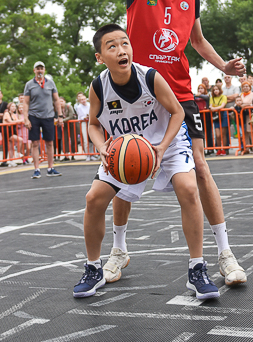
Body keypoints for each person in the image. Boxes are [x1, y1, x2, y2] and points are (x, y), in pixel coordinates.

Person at [76, 0, 246, 286]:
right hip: (136, 93)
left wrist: (222, 65)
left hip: (178, 94)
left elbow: (197, 41)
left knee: (200, 172)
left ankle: (225, 254)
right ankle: (118, 251)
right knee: (123, 168)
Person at [73, 24, 218, 300]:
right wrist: (101, 146)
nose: (121, 50)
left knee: (189, 189)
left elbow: (177, 112)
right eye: (112, 46)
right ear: (100, 57)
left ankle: (197, 268)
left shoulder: (150, 77)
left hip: (167, 141)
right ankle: (93, 268)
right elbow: (93, 124)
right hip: (125, 147)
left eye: (124, 43)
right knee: (93, 198)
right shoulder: (98, 87)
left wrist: (161, 148)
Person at [20, 61, 63, 178]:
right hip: (34, 116)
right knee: (35, 143)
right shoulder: (29, 84)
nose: (39, 70)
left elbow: (56, 100)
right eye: (37, 68)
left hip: (48, 116)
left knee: (50, 142)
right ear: (34, 70)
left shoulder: (50, 83)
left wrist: (60, 116)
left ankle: (50, 168)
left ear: (44, 70)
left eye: (41, 68)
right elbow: (26, 103)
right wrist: (26, 119)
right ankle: (36, 169)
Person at [208, 84, 228, 155]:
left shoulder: (223, 97)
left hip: (223, 115)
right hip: (216, 116)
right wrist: (214, 108)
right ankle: (219, 149)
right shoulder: (212, 98)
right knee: (218, 135)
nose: (216, 91)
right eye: (214, 90)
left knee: (223, 134)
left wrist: (214, 108)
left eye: (217, 89)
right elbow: (210, 106)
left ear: (220, 90)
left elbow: (222, 106)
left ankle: (224, 149)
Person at [75, 92, 95, 161]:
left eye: (84, 99)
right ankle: (87, 154)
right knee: (86, 140)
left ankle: (92, 154)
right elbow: (79, 117)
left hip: (90, 122)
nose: (83, 101)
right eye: (81, 100)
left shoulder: (89, 105)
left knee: (92, 139)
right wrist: (84, 117)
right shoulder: (79, 107)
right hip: (83, 123)